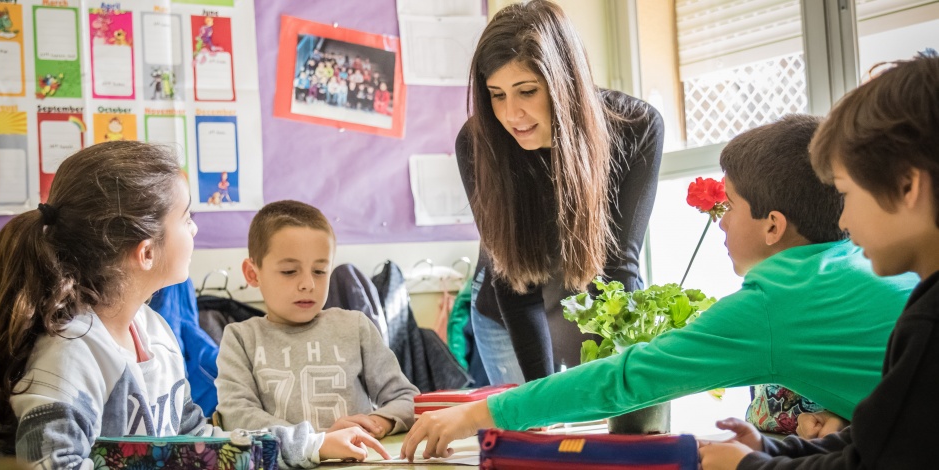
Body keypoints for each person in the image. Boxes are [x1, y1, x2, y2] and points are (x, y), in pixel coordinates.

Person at [401, 114, 919, 460]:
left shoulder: (775, 302)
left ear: (773, 225)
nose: (720, 221)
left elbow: (626, 379)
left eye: (730, 205)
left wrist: (479, 411)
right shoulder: (857, 260)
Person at [0, 141, 388, 468]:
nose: (196, 227)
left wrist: (310, 445)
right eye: (186, 217)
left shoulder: (153, 331)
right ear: (146, 253)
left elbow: (195, 443)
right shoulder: (68, 359)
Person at [699, 54, 939, 470]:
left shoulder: (930, 323)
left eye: (846, 193)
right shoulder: (923, 301)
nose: (843, 220)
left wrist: (748, 467)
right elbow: (879, 441)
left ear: (907, 186)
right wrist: (770, 451)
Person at [456, 0, 664, 386]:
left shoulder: (635, 127)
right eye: (497, 95)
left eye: (527, 91)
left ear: (563, 81)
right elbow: (515, 284)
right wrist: (544, 399)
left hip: (590, 302)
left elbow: (618, 266)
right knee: (535, 430)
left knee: (602, 417)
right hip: (509, 314)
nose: (511, 115)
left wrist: (625, 381)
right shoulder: (478, 142)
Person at [216, 200, 419, 439]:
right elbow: (236, 416)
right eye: (289, 271)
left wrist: (376, 422)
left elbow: (405, 398)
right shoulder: (241, 339)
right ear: (253, 273)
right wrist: (316, 442)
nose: (308, 284)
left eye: (320, 271)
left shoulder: (355, 327)